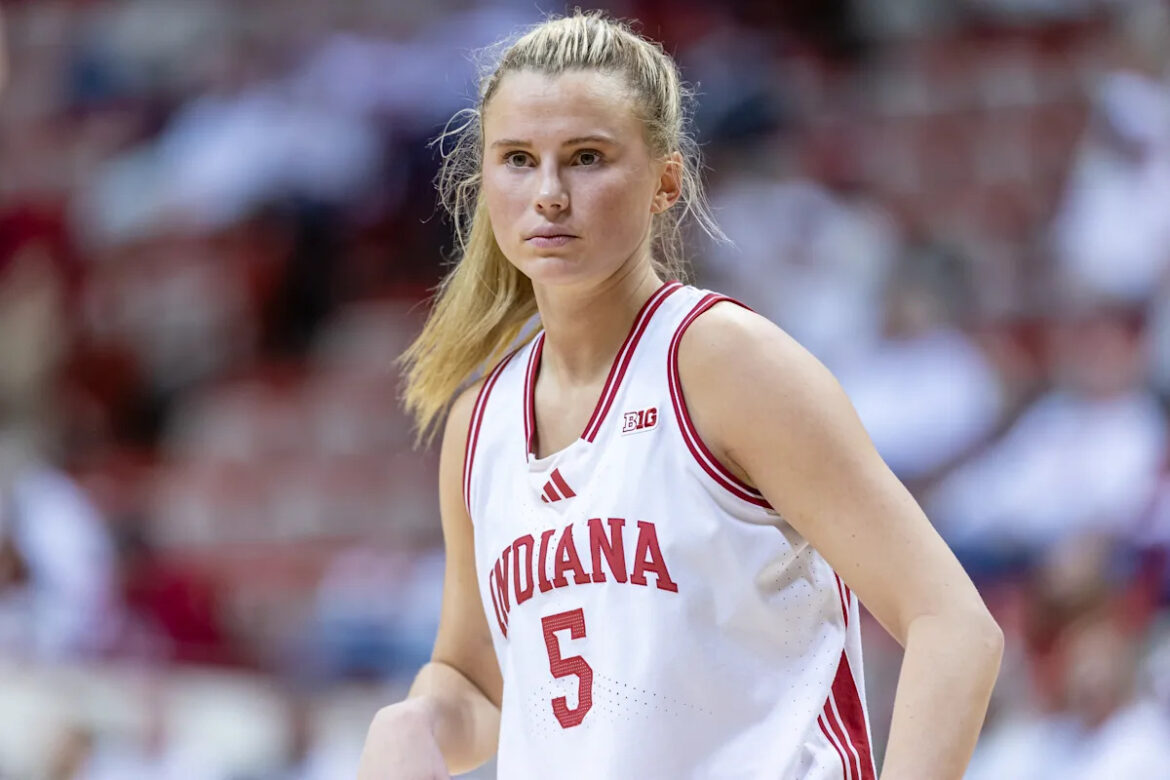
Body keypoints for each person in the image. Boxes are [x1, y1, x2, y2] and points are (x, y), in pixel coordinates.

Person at [359, 11, 1002, 779]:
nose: (550, 193)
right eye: (519, 160)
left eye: (587, 158)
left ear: (665, 182)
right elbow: (480, 685)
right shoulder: (480, 423)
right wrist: (420, 722)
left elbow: (952, 626)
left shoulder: (724, 363)